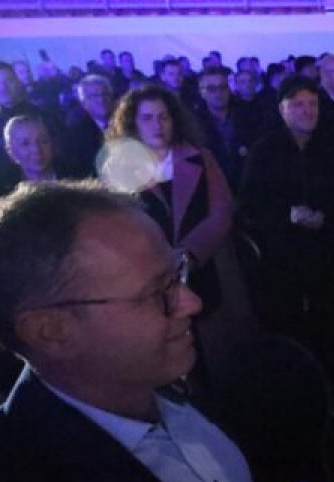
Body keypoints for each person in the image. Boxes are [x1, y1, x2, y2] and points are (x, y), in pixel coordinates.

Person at [0, 181, 270, 482]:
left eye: (177, 273)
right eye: (158, 291)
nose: (191, 302)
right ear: (51, 331)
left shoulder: (158, 383)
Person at [106, 85, 253, 395]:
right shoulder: (118, 168)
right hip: (153, 278)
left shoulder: (200, 158)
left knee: (223, 355)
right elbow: (118, 226)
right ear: (133, 123)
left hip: (209, 267)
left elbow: (221, 212)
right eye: (148, 118)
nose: (157, 125)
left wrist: (189, 253)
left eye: (163, 117)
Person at [238, 76, 334, 413]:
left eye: (313, 104)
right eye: (298, 105)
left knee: (333, 330)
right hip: (284, 262)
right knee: (292, 331)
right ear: (282, 109)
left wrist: (328, 217)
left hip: (330, 257)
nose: (308, 111)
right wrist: (286, 215)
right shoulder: (264, 151)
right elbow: (249, 206)